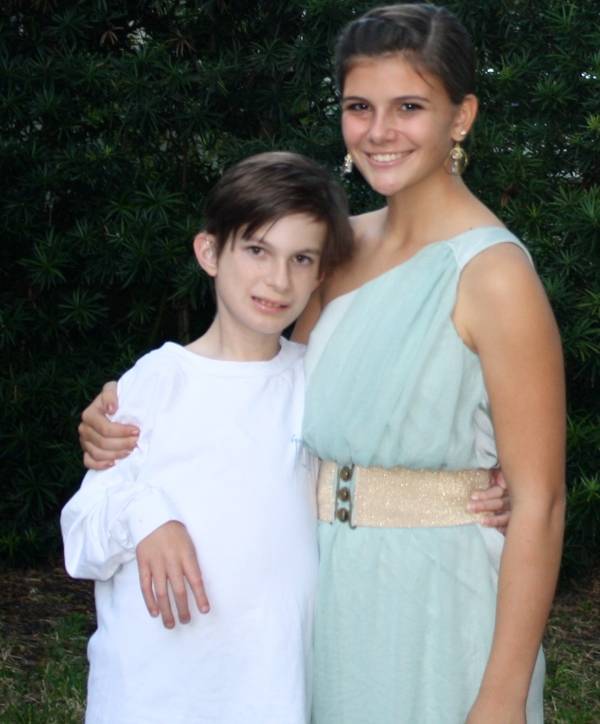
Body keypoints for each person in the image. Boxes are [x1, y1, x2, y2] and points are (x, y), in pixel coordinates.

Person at [78, 4, 565, 723]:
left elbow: (543, 504)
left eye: (410, 107)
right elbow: (271, 387)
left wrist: (499, 697)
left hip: (440, 596)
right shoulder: (335, 249)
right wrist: (121, 415)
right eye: (359, 106)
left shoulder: (494, 273)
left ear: (461, 116)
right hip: (328, 595)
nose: (379, 131)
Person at [61, 151, 355, 724]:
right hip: (151, 695)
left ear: (320, 274)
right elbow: (81, 535)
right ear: (209, 252)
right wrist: (148, 517)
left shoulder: (318, 382)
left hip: (271, 693)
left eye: (301, 259)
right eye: (256, 250)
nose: (277, 279)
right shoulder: (155, 381)